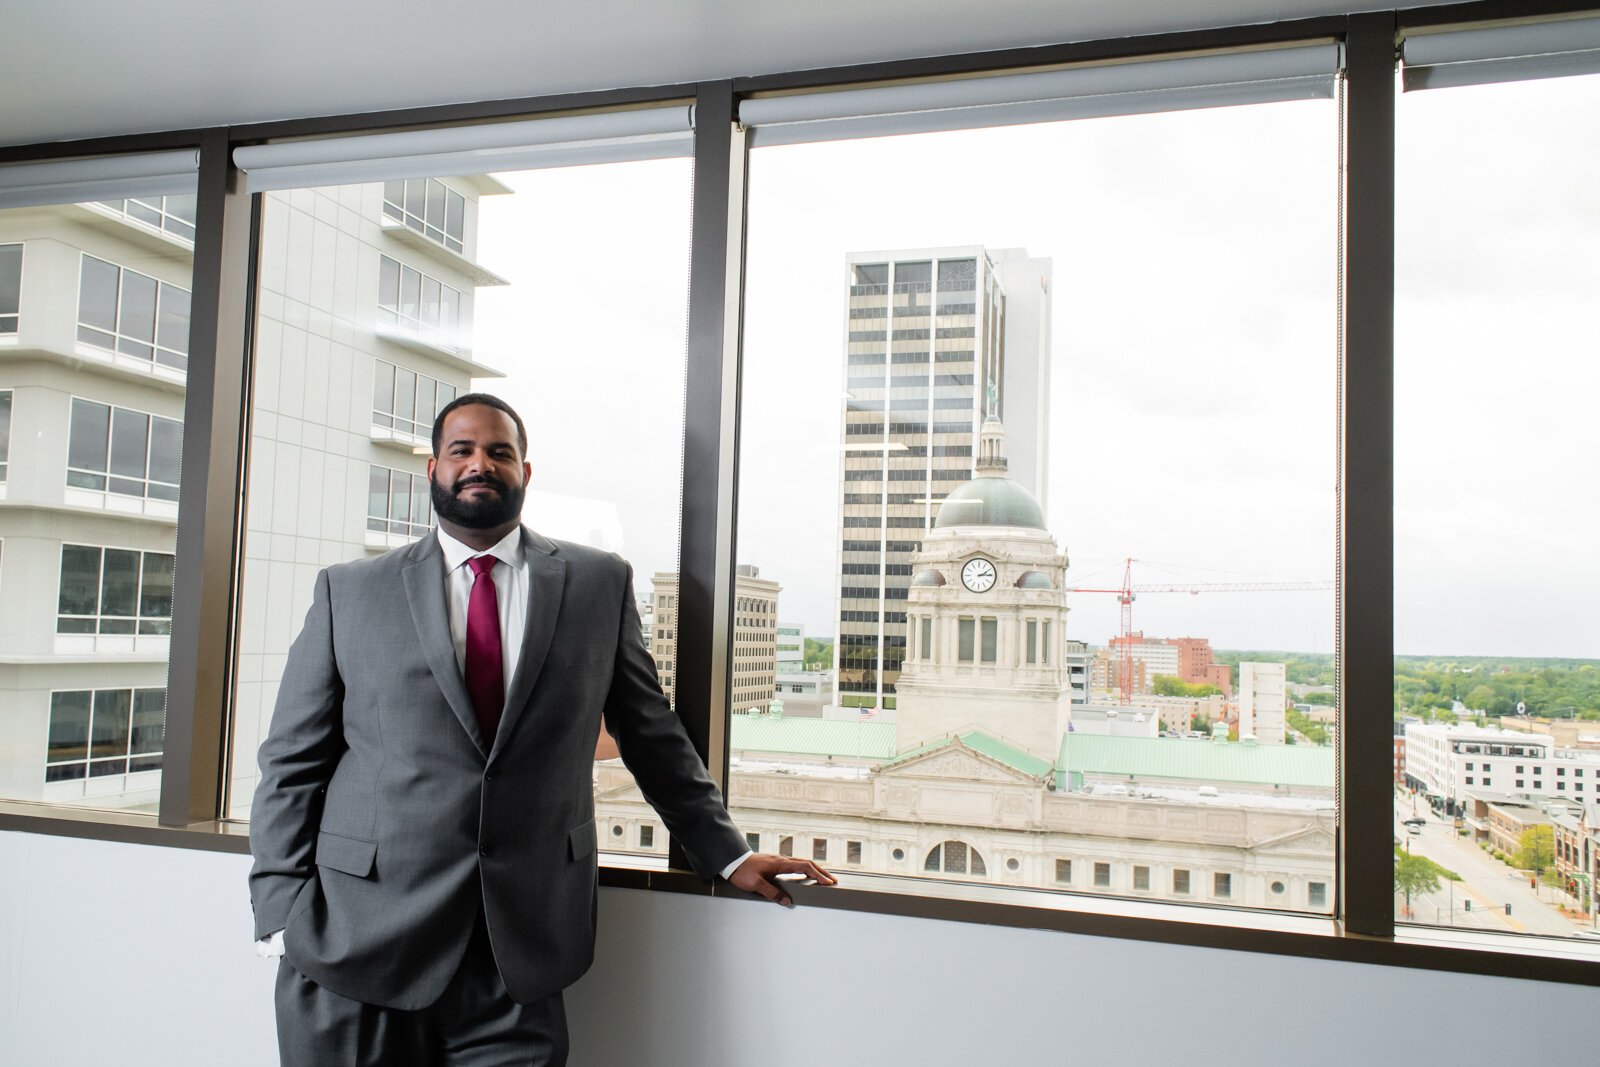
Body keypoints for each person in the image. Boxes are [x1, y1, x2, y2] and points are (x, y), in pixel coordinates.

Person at [249, 393, 833, 1065]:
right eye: (462, 450)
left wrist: (726, 852)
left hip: (519, 959)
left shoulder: (596, 583)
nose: (480, 463)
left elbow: (651, 735)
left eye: (499, 451)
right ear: (434, 467)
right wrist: (279, 912)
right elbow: (292, 762)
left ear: (525, 471)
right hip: (356, 946)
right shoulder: (348, 591)